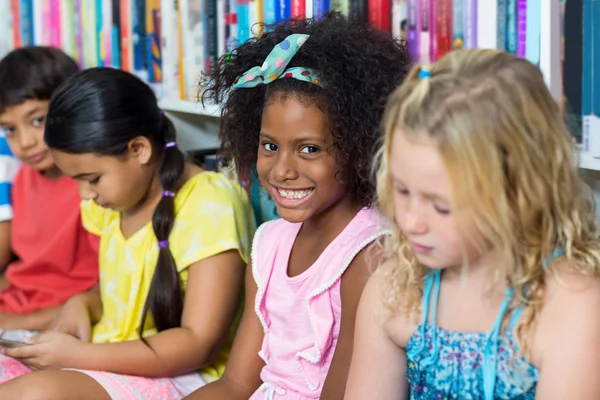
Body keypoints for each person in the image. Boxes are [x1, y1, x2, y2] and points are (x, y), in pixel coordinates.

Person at [344, 49, 600, 399]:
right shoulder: (395, 288)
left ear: (518, 193)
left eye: (441, 206)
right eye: (402, 190)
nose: (410, 221)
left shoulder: (572, 305)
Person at [186, 12, 410, 400]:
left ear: (359, 148)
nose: (283, 170)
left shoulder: (369, 255)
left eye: (310, 149)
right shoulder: (269, 244)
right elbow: (237, 384)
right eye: (270, 146)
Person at [0, 67, 255, 400]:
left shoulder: (211, 204)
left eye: (91, 179)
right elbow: (123, 287)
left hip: (181, 376)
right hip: (108, 354)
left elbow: (198, 343)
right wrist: (83, 303)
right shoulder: (112, 203)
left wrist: (76, 356)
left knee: (33, 395)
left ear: (139, 150)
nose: (83, 195)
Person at [0, 46, 98, 331]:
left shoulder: (94, 186)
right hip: (17, 303)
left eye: (36, 120)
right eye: (10, 129)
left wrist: (20, 322)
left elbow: (111, 291)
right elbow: (31, 272)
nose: (25, 142)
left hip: (58, 317)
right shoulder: (24, 178)